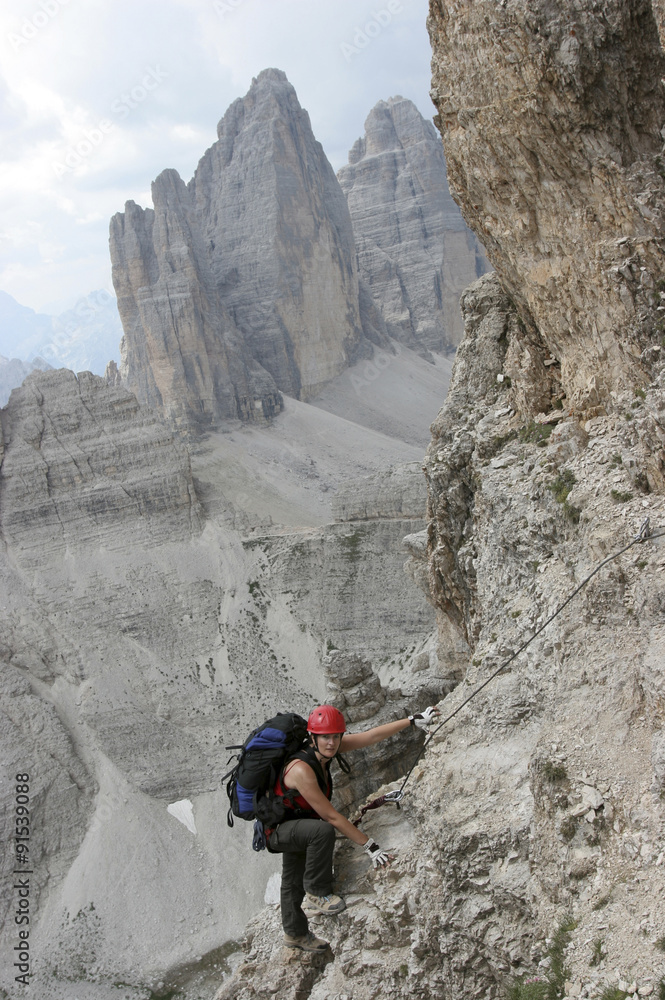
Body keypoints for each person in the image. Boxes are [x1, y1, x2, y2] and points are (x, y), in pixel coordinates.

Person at [267, 702, 440, 952]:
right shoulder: (302, 769)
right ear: (313, 738)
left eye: (336, 737)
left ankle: (295, 934)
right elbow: (332, 817)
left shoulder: (326, 749)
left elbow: (370, 736)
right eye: (325, 737)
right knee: (321, 832)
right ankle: (318, 893)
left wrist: (412, 720)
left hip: (295, 823)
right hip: (279, 831)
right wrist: (370, 846)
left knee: (292, 880)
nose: (332, 743)